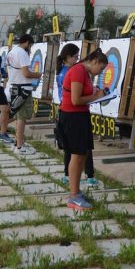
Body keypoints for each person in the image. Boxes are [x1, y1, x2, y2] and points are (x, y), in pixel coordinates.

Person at [58, 49, 108, 211]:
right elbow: (76, 99)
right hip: (72, 117)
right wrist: (97, 96)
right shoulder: (79, 71)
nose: (100, 72)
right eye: (101, 68)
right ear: (94, 61)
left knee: (83, 154)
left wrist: (96, 94)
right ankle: (73, 196)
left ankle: (76, 191)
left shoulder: (85, 72)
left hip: (80, 116)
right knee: (77, 154)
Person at [55, 43, 98, 187]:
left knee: (71, 149)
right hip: (73, 112)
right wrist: (94, 95)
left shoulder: (64, 70)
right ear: (67, 57)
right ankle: (88, 177)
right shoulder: (73, 71)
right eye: (75, 56)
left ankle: (68, 176)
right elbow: (76, 98)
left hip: (66, 109)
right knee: (80, 149)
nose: (78, 59)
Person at [6, 34, 42, 154]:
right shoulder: (22, 53)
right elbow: (26, 73)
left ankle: (18, 143)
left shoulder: (12, 52)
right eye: (30, 45)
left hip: (15, 86)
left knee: (18, 117)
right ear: (26, 43)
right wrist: (37, 74)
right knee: (22, 118)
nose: (30, 48)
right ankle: (20, 147)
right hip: (23, 89)